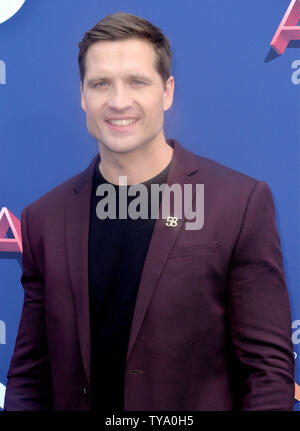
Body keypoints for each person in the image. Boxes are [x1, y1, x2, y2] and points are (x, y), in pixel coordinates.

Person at [4, 12, 295, 411]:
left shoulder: (239, 203)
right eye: (101, 83)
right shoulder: (43, 219)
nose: (118, 100)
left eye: (137, 82)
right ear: (83, 96)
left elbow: (267, 374)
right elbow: (30, 377)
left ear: (167, 91)